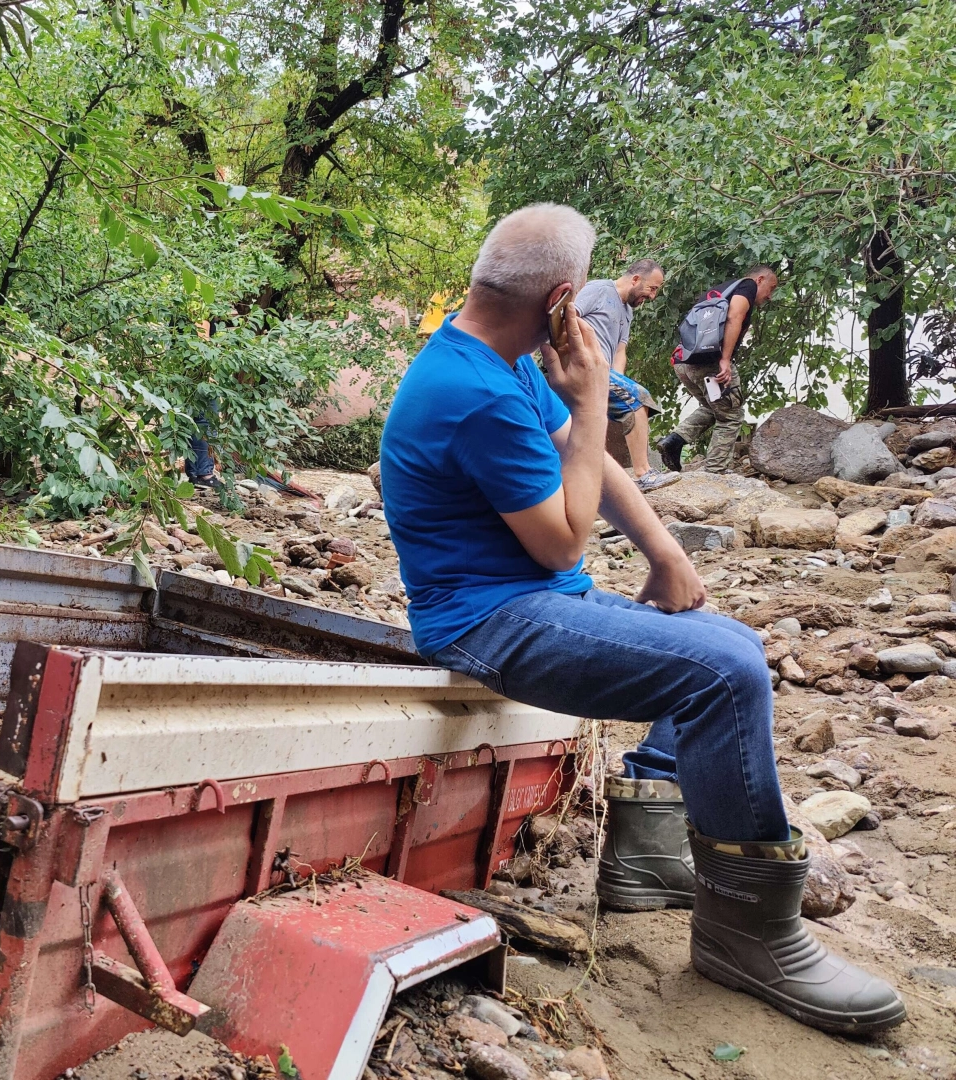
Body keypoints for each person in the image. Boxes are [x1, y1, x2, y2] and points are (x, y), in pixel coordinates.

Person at [379, 205, 903, 1035]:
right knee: (719, 674)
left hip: (541, 601)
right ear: (558, 298)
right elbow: (558, 542)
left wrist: (665, 554)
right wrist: (593, 406)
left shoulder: (496, 351)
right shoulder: (470, 390)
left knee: (730, 641)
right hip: (486, 620)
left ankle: (647, 855)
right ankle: (748, 934)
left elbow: (591, 477)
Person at [656, 267, 779, 474]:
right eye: (771, 288)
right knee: (731, 416)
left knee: (712, 408)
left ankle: (674, 441)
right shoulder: (746, 286)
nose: (770, 296)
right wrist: (725, 360)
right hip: (710, 363)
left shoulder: (720, 291)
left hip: (684, 362)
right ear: (760, 279)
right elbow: (734, 317)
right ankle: (716, 471)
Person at [574, 261, 677, 492]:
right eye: (652, 289)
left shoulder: (627, 311)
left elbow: (620, 351)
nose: (652, 296)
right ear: (635, 279)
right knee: (638, 396)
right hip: (580, 368)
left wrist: (617, 382)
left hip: (603, 374)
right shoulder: (599, 289)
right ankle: (643, 474)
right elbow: (568, 317)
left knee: (629, 396)